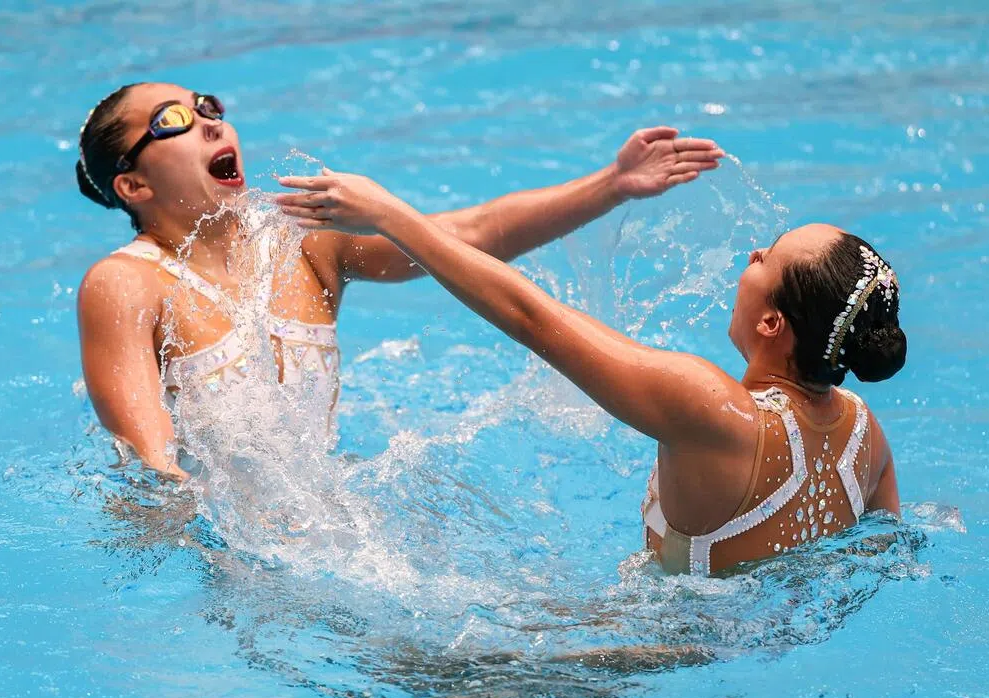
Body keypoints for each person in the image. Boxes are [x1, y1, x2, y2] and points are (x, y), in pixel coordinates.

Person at [74, 83, 725, 478]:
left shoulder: (305, 246)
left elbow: (467, 236)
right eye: (174, 121)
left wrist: (609, 187)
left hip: (330, 513)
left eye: (207, 106)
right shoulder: (127, 284)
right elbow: (152, 461)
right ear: (133, 184)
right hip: (235, 565)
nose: (211, 122)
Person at [273, 170, 907, 575]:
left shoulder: (715, 413)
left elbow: (530, 315)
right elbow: (878, 553)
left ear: (772, 323)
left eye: (765, 257)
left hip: (628, 668)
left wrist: (389, 213)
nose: (752, 253)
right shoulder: (864, 436)